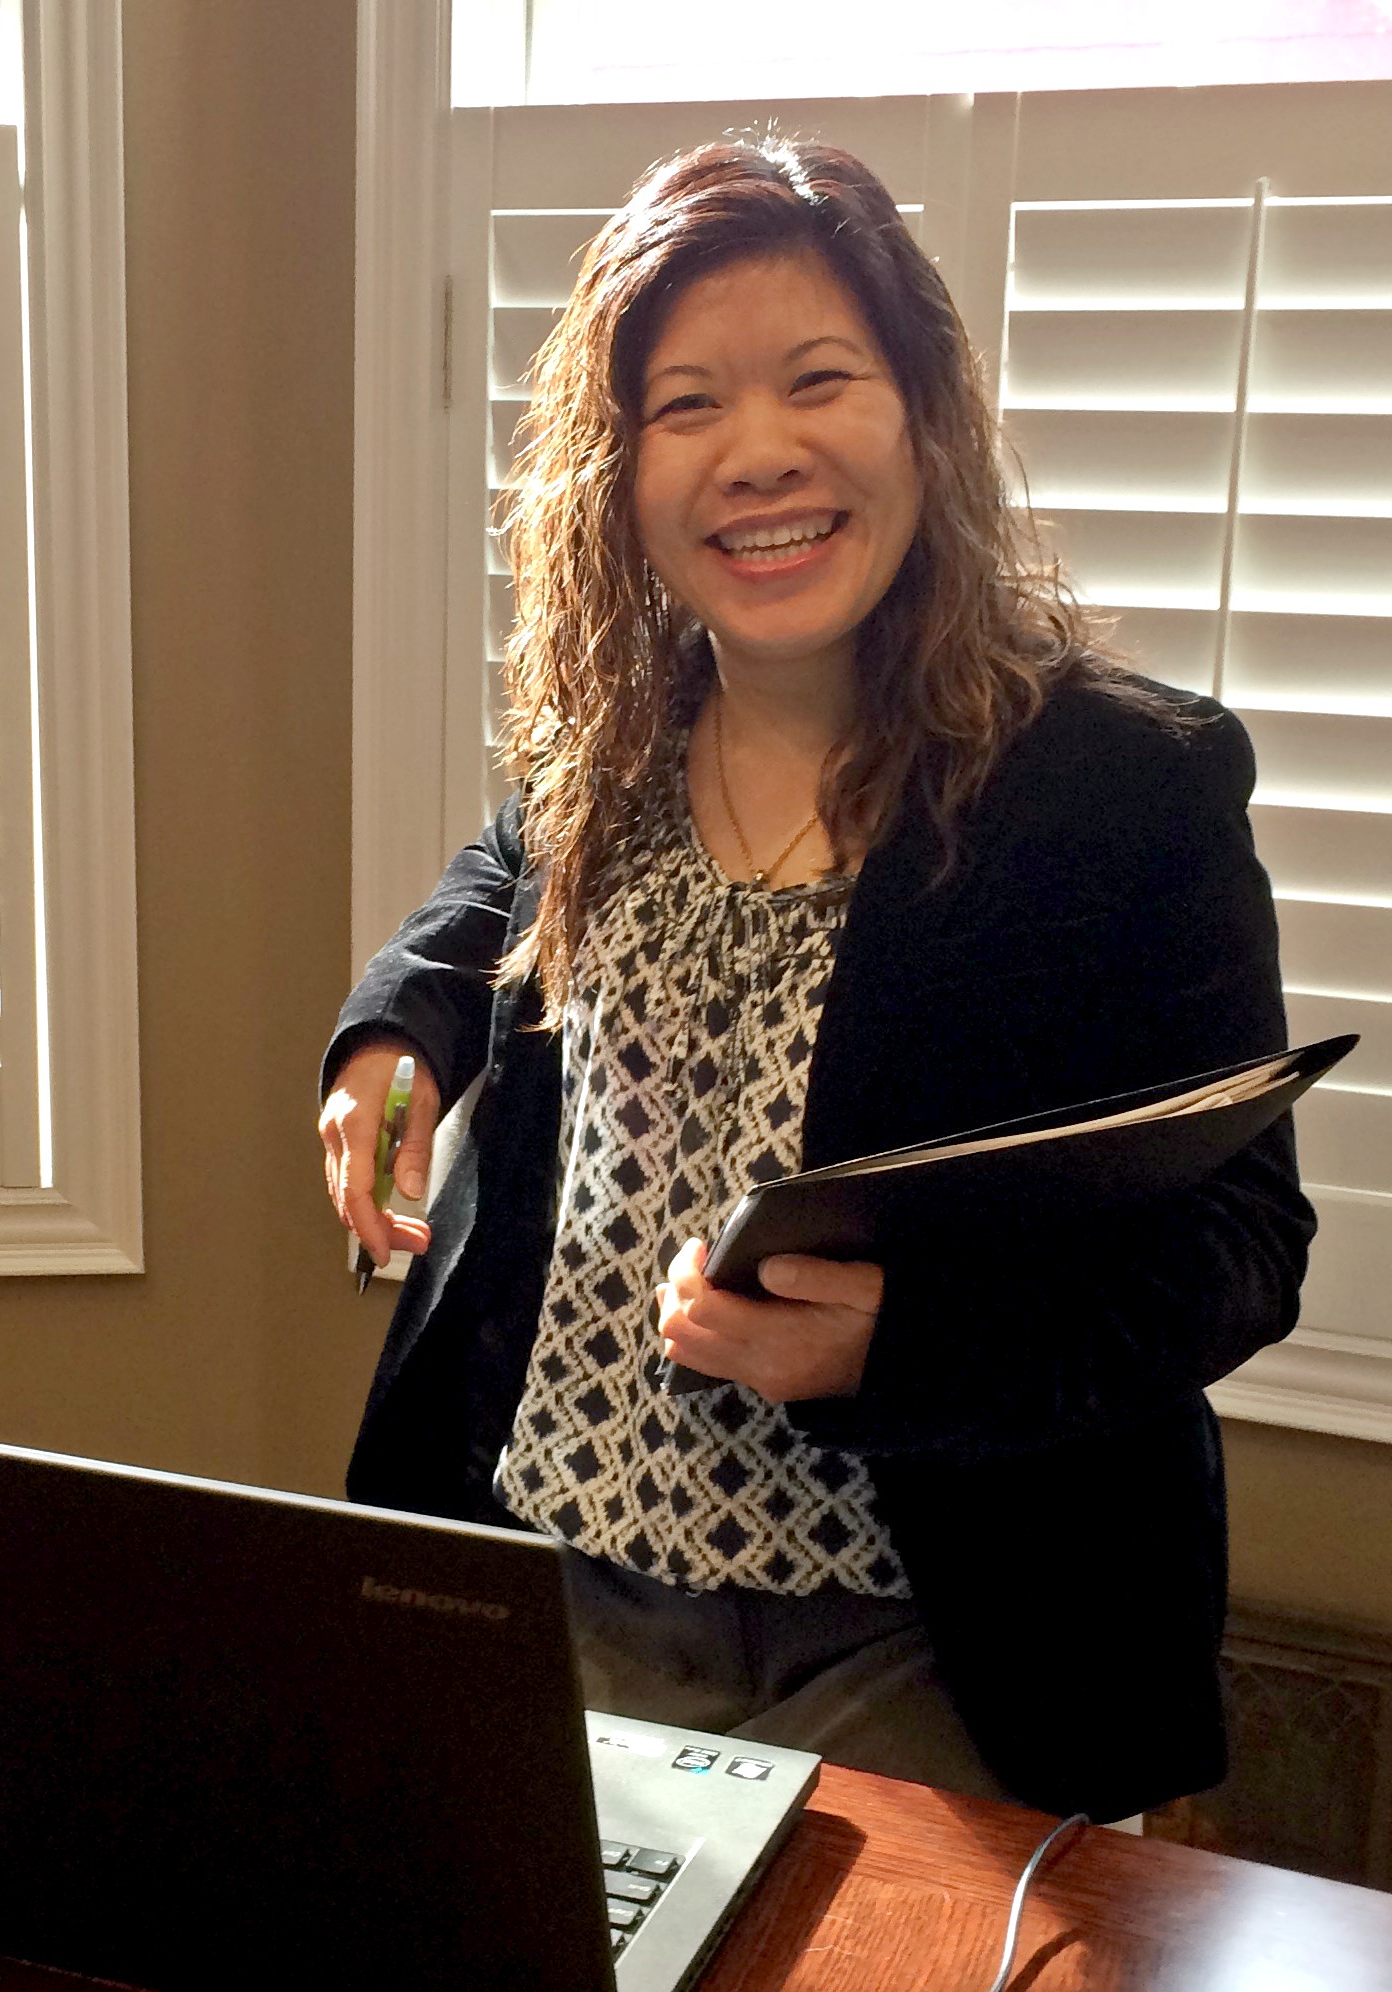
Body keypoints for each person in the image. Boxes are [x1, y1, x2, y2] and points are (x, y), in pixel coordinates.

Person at [318, 136, 1314, 1823]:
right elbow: (497, 881)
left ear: (924, 416)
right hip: (549, 1579)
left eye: (819, 379)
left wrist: (899, 1350)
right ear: (616, 471)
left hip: (947, 1645)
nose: (759, 449)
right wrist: (394, 1030)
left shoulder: (1124, 792)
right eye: (686, 404)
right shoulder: (615, 744)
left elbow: (1240, 1251)